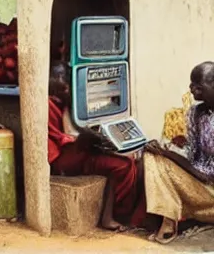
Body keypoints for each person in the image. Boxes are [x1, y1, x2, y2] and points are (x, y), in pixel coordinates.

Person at [48, 62, 142, 231]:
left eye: (65, 78)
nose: (64, 83)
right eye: (58, 77)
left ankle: (113, 215)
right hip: (65, 157)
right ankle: (122, 215)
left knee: (126, 163)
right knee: (121, 163)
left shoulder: (76, 101)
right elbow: (68, 140)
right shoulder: (49, 104)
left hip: (85, 152)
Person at [142, 61, 214, 244]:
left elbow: (205, 175)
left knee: (161, 157)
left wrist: (169, 155)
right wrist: (172, 148)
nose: (192, 88)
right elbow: (193, 155)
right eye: (191, 83)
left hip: (209, 190)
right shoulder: (195, 112)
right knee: (151, 156)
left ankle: (180, 217)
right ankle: (168, 220)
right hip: (200, 187)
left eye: (198, 84)